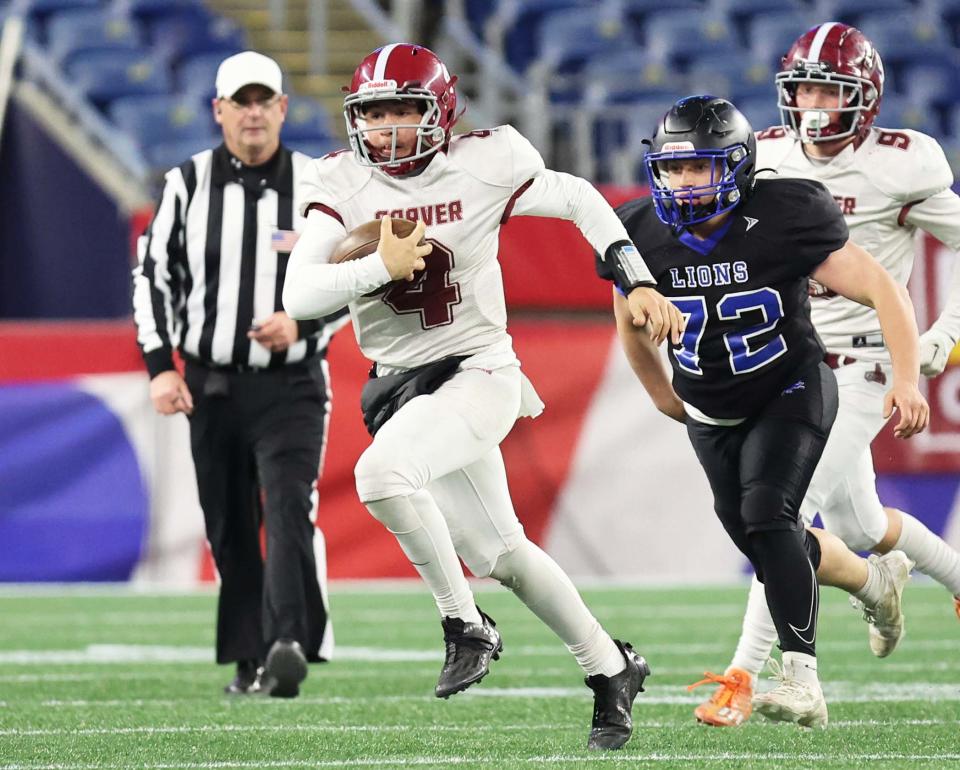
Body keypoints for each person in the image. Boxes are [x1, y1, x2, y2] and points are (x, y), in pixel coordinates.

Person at [283, 43, 684, 750]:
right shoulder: (339, 179)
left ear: (438, 112)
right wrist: (376, 267)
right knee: (504, 555)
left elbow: (580, 198)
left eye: (403, 111)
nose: (387, 129)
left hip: (479, 368)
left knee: (380, 475)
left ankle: (464, 623)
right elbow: (300, 292)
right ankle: (612, 667)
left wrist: (638, 278)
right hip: (399, 387)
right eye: (373, 113)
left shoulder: (485, 160)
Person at [604, 94, 929, 727]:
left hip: (790, 386)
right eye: (672, 169)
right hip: (712, 411)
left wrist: (908, 379)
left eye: (698, 168)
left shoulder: (785, 213)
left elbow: (881, 287)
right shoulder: (639, 231)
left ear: (736, 166)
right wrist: (662, 394)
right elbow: (630, 317)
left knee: (767, 513)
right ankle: (874, 584)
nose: (682, 182)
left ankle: (802, 679)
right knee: (775, 543)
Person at [690, 22, 960, 728]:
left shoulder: (902, 164)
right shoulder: (769, 153)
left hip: (865, 363)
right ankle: (887, 583)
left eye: (826, 89)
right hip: (790, 361)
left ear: (863, 98)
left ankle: (756, 676)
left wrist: (942, 337)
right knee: (858, 522)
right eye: (801, 87)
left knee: (777, 513)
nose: (811, 103)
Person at [132, 51, 342, 698]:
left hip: (292, 383)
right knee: (227, 521)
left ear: (283, 108)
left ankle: (285, 644)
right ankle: (250, 656)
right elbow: (153, 276)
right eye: (240, 102)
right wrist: (159, 368)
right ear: (219, 110)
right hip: (212, 383)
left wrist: (300, 326)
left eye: (264, 101)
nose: (253, 113)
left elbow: (350, 281)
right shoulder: (185, 184)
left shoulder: (317, 184)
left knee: (285, 505)